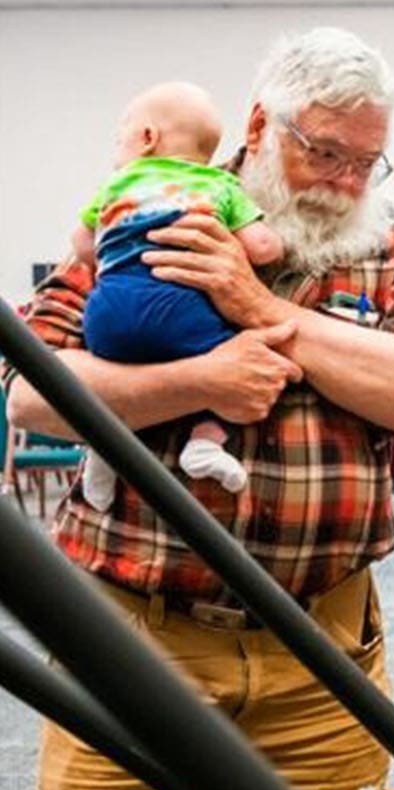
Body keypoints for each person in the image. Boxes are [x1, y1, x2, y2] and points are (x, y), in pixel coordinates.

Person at [4, 27, 394, 790]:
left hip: (324, 655)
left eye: (368, 162)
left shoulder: (389, 247)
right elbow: (31, 392)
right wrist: (197, 382)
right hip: (134, 643)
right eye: (325, 152)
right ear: (260, 126)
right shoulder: (155, 204)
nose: (346, 182)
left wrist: (255, 305)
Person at [71, 81, 285, 511]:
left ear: (147, 138)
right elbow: (263, 248)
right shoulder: (219, 185)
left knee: (114, 374)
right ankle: (205, 442)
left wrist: (115, 256)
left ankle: (103, 448)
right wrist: (276, 244)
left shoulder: (116, 184)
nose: (117, 149)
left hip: (108, 313)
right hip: (182, 312)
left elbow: (82, 246)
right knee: (240, 361)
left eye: (119, 138)